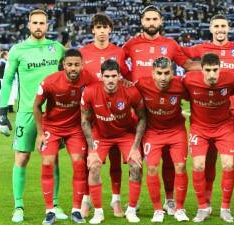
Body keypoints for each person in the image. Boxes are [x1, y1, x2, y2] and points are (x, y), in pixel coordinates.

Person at [123, 5, 199, 214]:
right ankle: (134, 201)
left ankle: (170, 199)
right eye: (147, 19)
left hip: (165, 110)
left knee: (169, 159)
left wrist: (218, 66)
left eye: (155, 19)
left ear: (161, 22)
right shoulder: (131, 44)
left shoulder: (170, 44)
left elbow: (188, 65)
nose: (151, 23)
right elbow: (120, 66)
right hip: (140, 110)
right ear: (142, 22)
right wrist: (130, 82)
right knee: (136, 159)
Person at [182, 15, 234, 214]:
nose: (220, 29)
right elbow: (182, 58)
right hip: (209, 113)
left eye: (223, 25)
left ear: (228, 27)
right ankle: (205, 203)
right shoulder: (201, 49)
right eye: (216, 26)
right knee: (207, 161)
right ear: (210, 28)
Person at [0, 9, 66, 223]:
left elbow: (69, 76)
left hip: (54, 114)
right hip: (27, 113)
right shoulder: (18, 50)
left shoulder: (58, 49)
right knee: (22, 157)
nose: (38, 26)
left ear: (48, 25)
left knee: (52, 159)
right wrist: (2, 113)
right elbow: (7, 80)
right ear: (28, 25)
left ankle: (54, 205)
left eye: (42, 23)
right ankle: (18, 206)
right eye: (34, 23)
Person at [33, 49, 98, 224]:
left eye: (77, 64)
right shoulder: (50, 81)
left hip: (75, 129)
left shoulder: (90, 78)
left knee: (78, 163)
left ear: (82, 64)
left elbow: (102, 91)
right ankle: (49, 211)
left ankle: (76, 210)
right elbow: (37, 106)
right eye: (69, 64)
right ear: (63, 65)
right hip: (52, 128)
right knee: (47, 163)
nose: (73, 68)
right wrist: (40, 134)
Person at [80, 59, 146, 224]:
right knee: (94, 166)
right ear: (101, 76)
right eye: (107, 76)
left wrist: (136, 147)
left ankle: (131, 210)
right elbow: (85, 121)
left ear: (119, 76)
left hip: (125, 134)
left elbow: (143, 118)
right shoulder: (89, 91)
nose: (110, 80)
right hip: (101, 135)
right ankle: (98, 212)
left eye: (114, 76)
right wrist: (92, 150)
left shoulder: (131, 92)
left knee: (136, 165)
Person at [79, 13, 129, 218]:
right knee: (88, 159)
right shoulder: (83, 52)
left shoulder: (119, 52)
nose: (101, 31)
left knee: (116, 159)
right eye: (97, 27)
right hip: (91, 113)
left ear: (110, 30)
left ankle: (116, 201)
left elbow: (126, 77)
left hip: (115, 114)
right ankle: (86, 200)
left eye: (104, 27)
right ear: (92, 30)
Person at [183, 53, 234, 223]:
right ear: (202, 70)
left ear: (220, 69)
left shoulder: (230, 79)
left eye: (215, 70)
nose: (212, 74)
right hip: (199, 129)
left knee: (228, 164)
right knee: (198, 165)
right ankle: (202, 208)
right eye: (208, 70)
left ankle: (225, 209)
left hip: (224, 128)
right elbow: (172, 92)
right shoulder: (189, 80)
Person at [135, 57, 189, 222]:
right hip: (153, 133)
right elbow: (126, 93)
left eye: (167, 73)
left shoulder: (180, 85)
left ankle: (179, 208)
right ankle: (158, 210)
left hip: (176, 131)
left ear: (173, 72)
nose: (163, 78)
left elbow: (196, 95)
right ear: (153, 73)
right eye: (159, 73)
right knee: (152, 168)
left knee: (180, 166)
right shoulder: (142, 84)